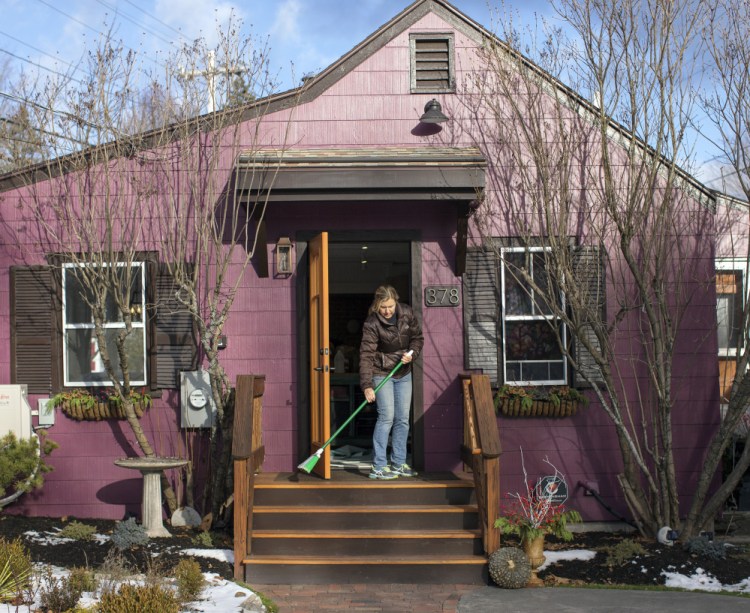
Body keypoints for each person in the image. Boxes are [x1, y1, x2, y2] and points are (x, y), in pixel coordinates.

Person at [359, 285, 424, 480]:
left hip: (403, 372)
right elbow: (366, 354)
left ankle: (398, 463)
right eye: (383, 307)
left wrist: (412, 354)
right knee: (387, 416)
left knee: (402, 419)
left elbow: (417, 338)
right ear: (376, 305)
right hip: (382, 372)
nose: (387, 311)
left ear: (396, 301)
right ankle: (378, 466)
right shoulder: (371, 324)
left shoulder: (407, 313)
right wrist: (367, 385)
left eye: (390, 306)